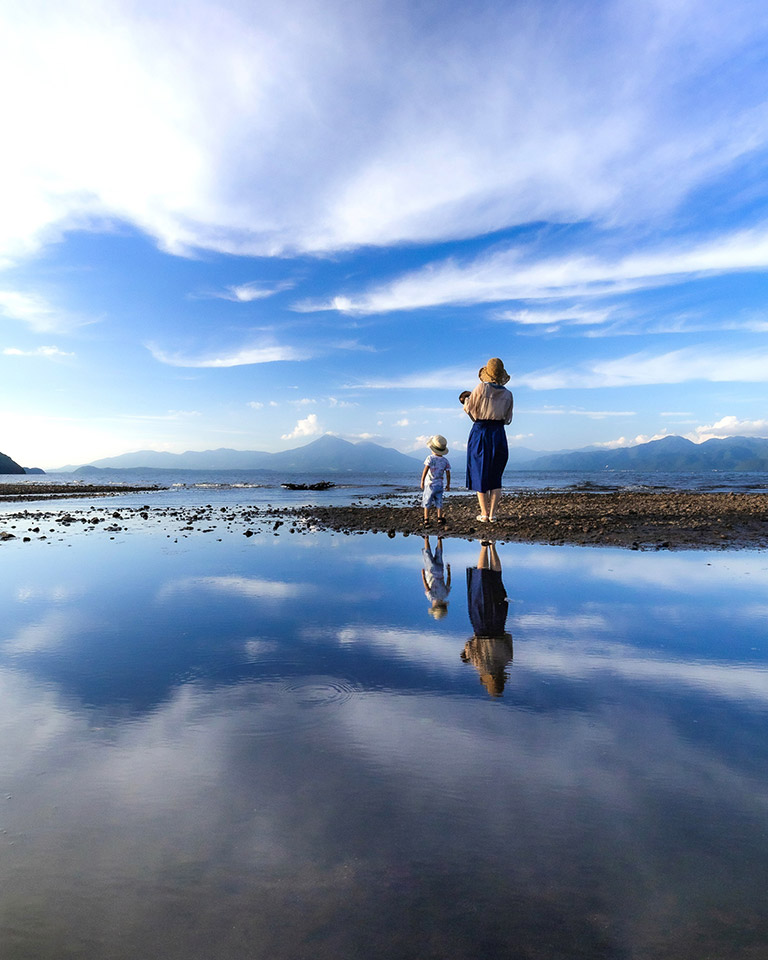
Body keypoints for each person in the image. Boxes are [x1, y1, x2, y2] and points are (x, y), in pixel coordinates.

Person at [461, 357, 513, 523]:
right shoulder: (508, 394)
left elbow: (471, 412)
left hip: (481, 431)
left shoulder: (481, 388)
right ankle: (493, 515)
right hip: (498, 433)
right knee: (496, 476)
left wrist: (466, 403)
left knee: (480, 473)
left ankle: (484, 514)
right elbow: (507, 419)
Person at [461, 540, 513, 697]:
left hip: (499, 622)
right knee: (481, 580)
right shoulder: (480, 664)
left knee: (496, 579)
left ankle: (492, 546)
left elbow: (508, 638)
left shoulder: (506, 661)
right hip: (482, 624)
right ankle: (484, 546)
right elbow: (470, 646)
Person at [420, 435, 451, 526]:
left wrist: (422, 481)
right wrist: (448, 484)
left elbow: (425, 470)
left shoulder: (430, 458)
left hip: (430, 484)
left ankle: (426, 519)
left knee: (427, 501)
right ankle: (439, 518)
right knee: (439, 502)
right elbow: (448, 474)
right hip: (439, 485)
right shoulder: (445, 461)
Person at [421, 536, 452, 619]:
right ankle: (426, 538)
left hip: (440, 571)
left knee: (439, 554)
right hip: (431, 571)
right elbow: (426, 586)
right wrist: (423, 575)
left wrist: (448, 571)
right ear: (435, 606)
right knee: (427, 554)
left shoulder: (445, 594)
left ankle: (439, 538)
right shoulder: (431, 597)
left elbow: (448, 582)